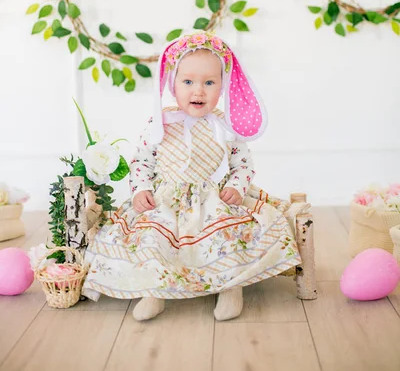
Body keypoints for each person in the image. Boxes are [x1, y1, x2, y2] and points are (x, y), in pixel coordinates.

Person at [82, 32, 301, 321]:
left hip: (214, 199)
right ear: (173, 84)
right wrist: (140, 190)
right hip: (168, 200)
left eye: (209, 83)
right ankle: (155, 291)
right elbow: (141, 161)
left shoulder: (225, 126)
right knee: (152, 236)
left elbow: (243, 165)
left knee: (231, 235)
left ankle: (231, 287)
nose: (198, 91)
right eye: (188, 82)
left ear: (222, 87)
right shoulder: (161, 122)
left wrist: (236, 186)